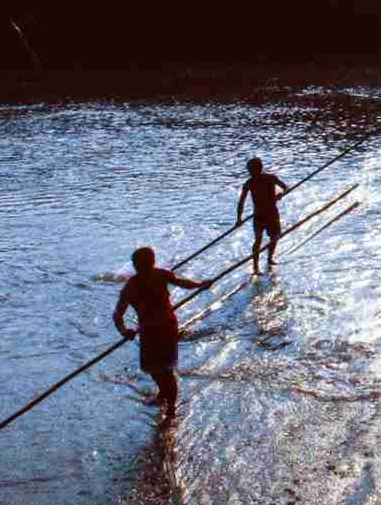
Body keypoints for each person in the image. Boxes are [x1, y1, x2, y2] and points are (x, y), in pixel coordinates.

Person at [113, 246, 212, 426]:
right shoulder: (130, 287)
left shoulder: (161, 275)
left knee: (166, 370)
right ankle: (162, 394)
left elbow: (182, 283)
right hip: (147, 332)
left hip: (166, 328)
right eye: (139, 265)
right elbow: (118, 315)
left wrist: (199, 284)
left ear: (152, 263)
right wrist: (124, 331)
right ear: (136, 266)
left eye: (146, 264)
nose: (143, 268)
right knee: (152, 369)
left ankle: (171, 410)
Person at [236, 157, 289, 274]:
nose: (251, 173)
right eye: (250, 171)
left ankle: (269, 259)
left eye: (252, 170)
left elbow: (286, 187)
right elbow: (241, 201)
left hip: (271, 214)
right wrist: (238, 219)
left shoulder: (270, 178)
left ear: (259, 169)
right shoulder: (249, 183)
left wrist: (281, 194)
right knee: (258, 240)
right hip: (259, 215)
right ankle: (255, 267)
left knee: (274, 237)